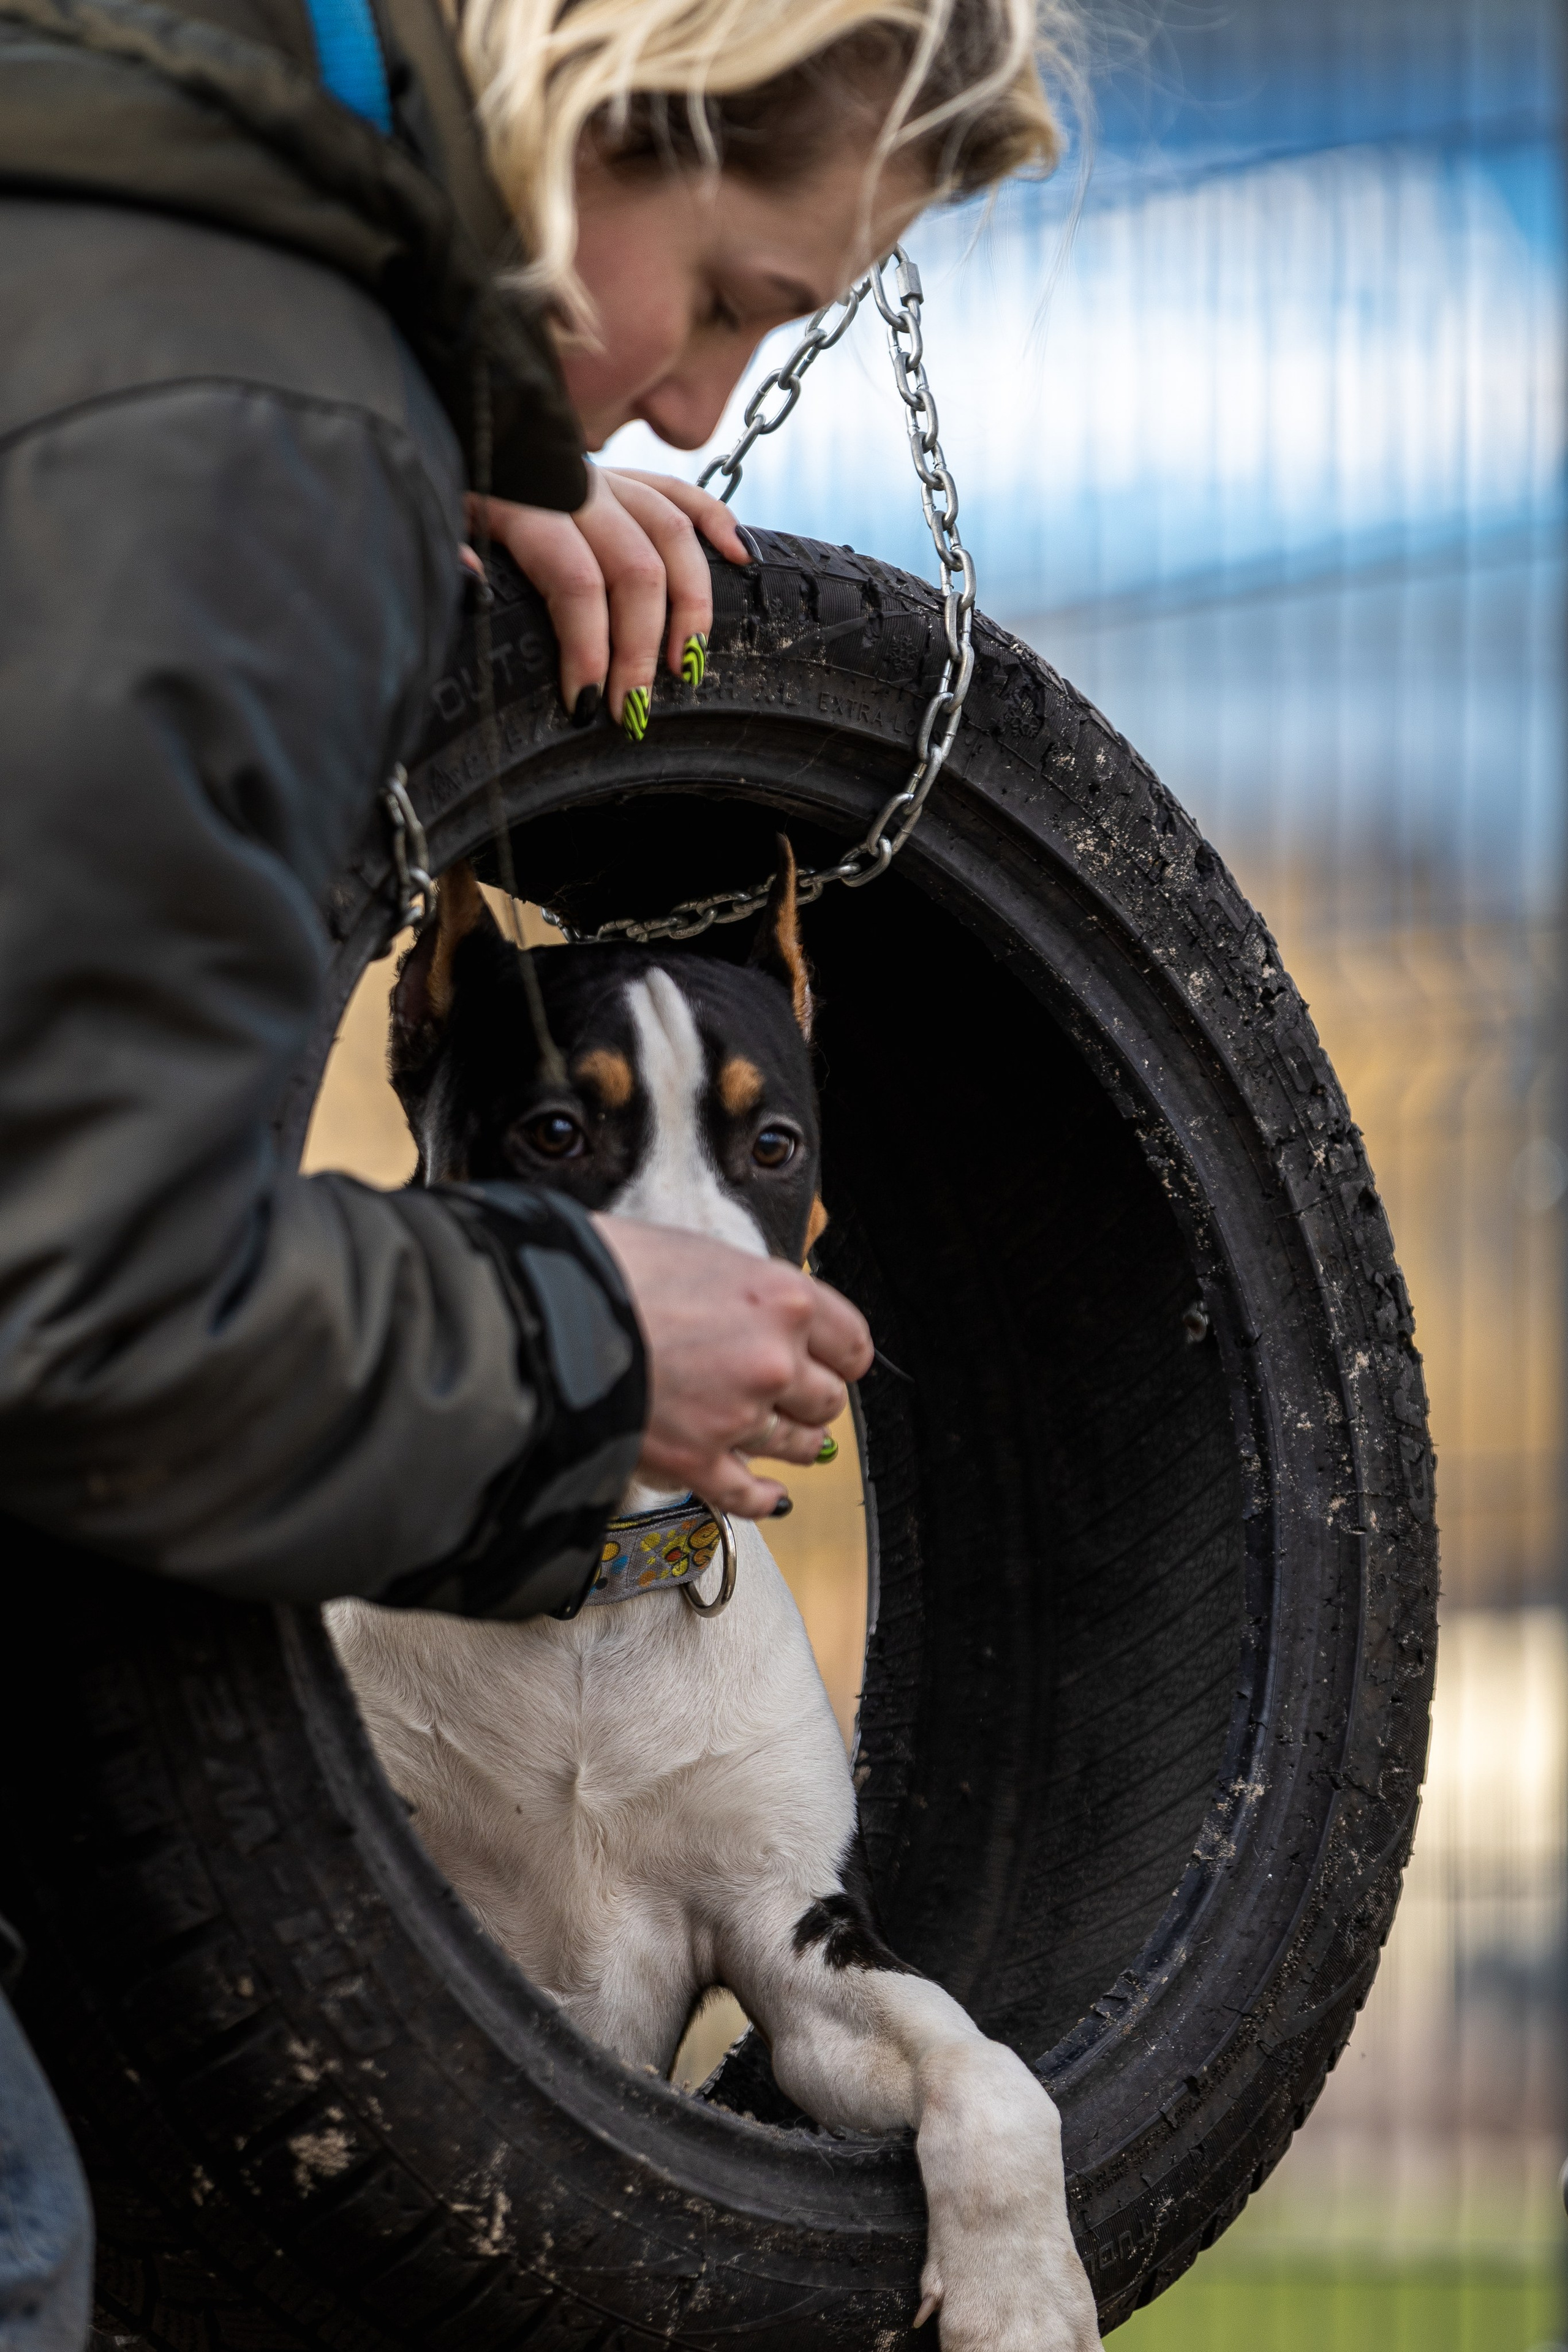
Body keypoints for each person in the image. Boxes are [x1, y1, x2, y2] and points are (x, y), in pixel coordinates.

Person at [0, 0, 1069, 2342]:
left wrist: (438, 466)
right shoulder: (238, 423)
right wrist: (580, 1349)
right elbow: (72, 1277)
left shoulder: (177, 267)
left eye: (753, 1156)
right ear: (600, 113)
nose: (698, 410)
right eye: (732, 300)